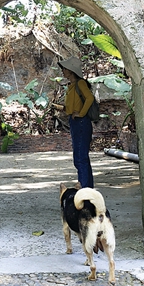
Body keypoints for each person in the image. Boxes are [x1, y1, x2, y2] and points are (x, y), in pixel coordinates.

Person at [58, 56, 95, 189]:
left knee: (81, 158)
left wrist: (81, 113)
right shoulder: (72, 86)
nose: (63, 71)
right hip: (75, 122)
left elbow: (89, 98)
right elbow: (73, 106)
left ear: (71, 70)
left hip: (81, 122)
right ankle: (87, 187)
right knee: (80, 157)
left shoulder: (80, 83)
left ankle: (85, 189)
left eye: (65, 69)